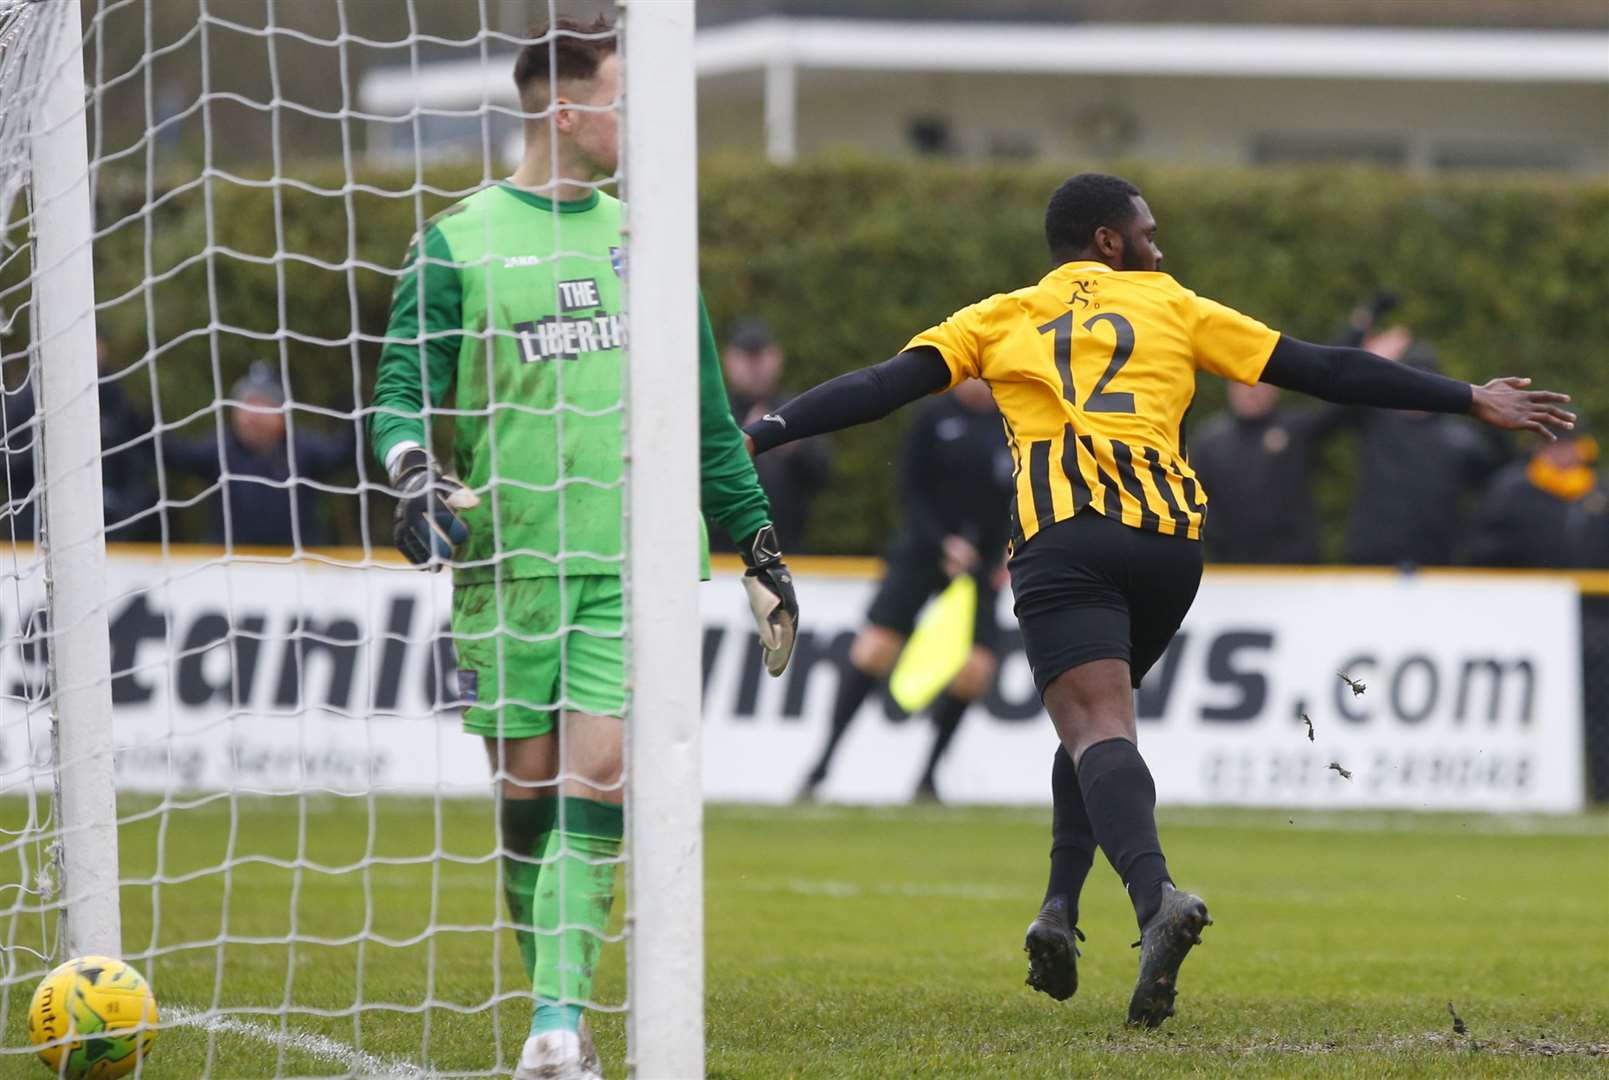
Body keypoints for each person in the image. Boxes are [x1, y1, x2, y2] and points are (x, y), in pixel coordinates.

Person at [744, 172, 1572, 1028]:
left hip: (1066, 539)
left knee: (1095, 727)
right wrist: (1466, 396)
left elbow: (881, 384)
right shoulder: (1174, 307)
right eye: (1148, 231)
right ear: (1109, 240)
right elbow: (1324, 369)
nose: (1158, 245)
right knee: (1098, 731)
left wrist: (764, 432)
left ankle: (1155, 902)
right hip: (1169, 545)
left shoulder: (999, 316)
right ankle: (1058, 909)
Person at [365, 18, 798, 1080]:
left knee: (596, 779)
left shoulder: (647, 238)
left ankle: (556, 1021)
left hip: (628, 565)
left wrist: (756, 540)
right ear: (566, 110)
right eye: (621, 101)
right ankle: (556, 1004)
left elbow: (702, 417)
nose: (635, 124)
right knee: (524, 796)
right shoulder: (455, 241)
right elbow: (397, 396)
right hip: (508, 563)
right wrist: (415, 473)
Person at [798, 376, 1014, 803]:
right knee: (876, 649)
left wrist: (1009, 549)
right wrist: (942, 544)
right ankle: (821, 765)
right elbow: (908, 490)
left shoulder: (1013, 422)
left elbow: (1021, 493)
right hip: (922, 552)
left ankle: (928, 777)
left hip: (981, 565)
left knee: (977, 669)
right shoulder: (933, 416)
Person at [1338, 326, 1507, 567]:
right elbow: (1339, 381)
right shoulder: (1374, 419)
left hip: (1436, 566)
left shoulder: (1458, 436)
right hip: (1371, 561)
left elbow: (1497, 480)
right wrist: (1362, 332)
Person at [165, 361, 353, 548]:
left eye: (262, 403)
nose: (252, 414)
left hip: (295, 564)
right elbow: (176, 455)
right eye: (246, 403)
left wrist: (354, 411)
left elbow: (342, 455)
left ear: (282, 413)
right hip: (230, 565)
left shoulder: (303, 448)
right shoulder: (220, 448)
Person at [710, 318, 831, 552]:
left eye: (761, 356)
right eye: (746, 357)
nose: (755, 367)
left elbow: (822, 473)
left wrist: (796, 448)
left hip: (787, 551)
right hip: (723, 557)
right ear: (728, 360)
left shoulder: (796, 409)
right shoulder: (714, 413)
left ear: (777, 357)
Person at [1189, 381, 1338, 564]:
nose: (1252, 392)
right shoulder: (1209, 440)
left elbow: (1337, 410)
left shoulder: (1295, 428)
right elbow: (1193, 501)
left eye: (1262, 385)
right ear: (1230, 389)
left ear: (1276, 390)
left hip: (1296, 565)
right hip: (1232, 566)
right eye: (1243, 385)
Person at [1466, 428, 1607, 568]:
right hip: (1527, 584)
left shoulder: (1599, 489)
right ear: (1539, 448)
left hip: (1590, 584)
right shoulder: (1512, 488)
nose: (1561, 452)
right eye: (1553, 445)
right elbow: (1483, 542)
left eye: (1568, 445)